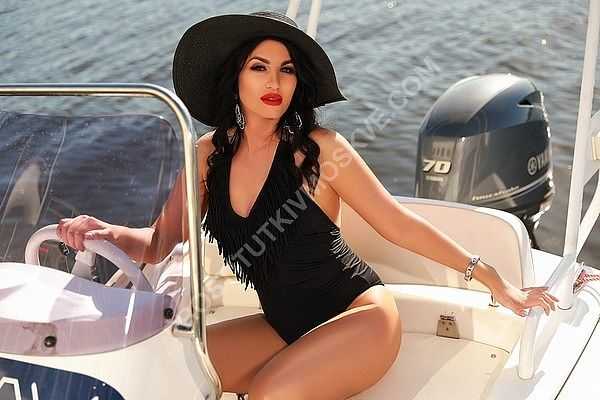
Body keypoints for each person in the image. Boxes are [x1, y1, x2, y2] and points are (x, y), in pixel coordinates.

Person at [57, 10, 559, 399]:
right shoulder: (207, 155)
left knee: (268, 394)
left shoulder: (320, 151)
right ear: (235, 78)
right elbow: (159, 242)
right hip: (282, 325)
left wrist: (492, 278)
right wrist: (103, 232)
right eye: (259, 68)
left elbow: (397, 224)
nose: (274, 83)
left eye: (286, 70)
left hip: (361, 319)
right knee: (168, 368)